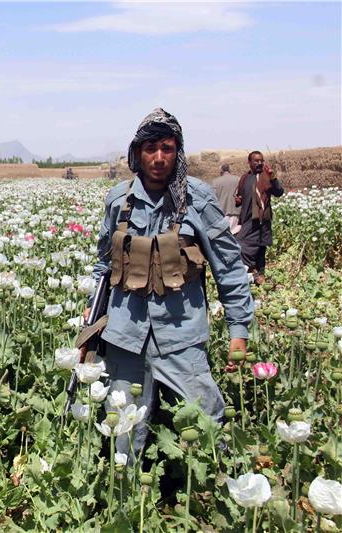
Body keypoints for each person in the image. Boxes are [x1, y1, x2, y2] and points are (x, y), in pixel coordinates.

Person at [82, 108, 254, 459]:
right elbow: (104, 265)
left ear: (178, 152)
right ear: (137, 153)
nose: (159, 158)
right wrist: (90, 321)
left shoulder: (198, 200)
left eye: (167, 148)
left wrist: (239, 328)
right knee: (123, 434)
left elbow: (229, 267)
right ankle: (127, 501)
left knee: (207, 424)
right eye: (150, 149)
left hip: (181, 337)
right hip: (125, 339)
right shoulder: (118, 201)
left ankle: (213, 491)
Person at [233, 151, 284, 285]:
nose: (260, 163)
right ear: (249, 162)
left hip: (262, 219)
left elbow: (278, 192)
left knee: (261, 247)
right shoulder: (245, 178)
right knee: (241, 245)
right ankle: (249, 274)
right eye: (256, 161)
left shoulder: (267, 176)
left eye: (261, 160)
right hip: (248, 219)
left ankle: (260, 277)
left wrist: (273, 178)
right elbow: (239, 196)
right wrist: (238, 200)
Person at [212, 163, 241, 234]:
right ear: (229, 170)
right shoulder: (239, 179)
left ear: (221, 171)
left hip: (221, 215)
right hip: (236, 213)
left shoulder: (215, 182)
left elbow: (213, 199)